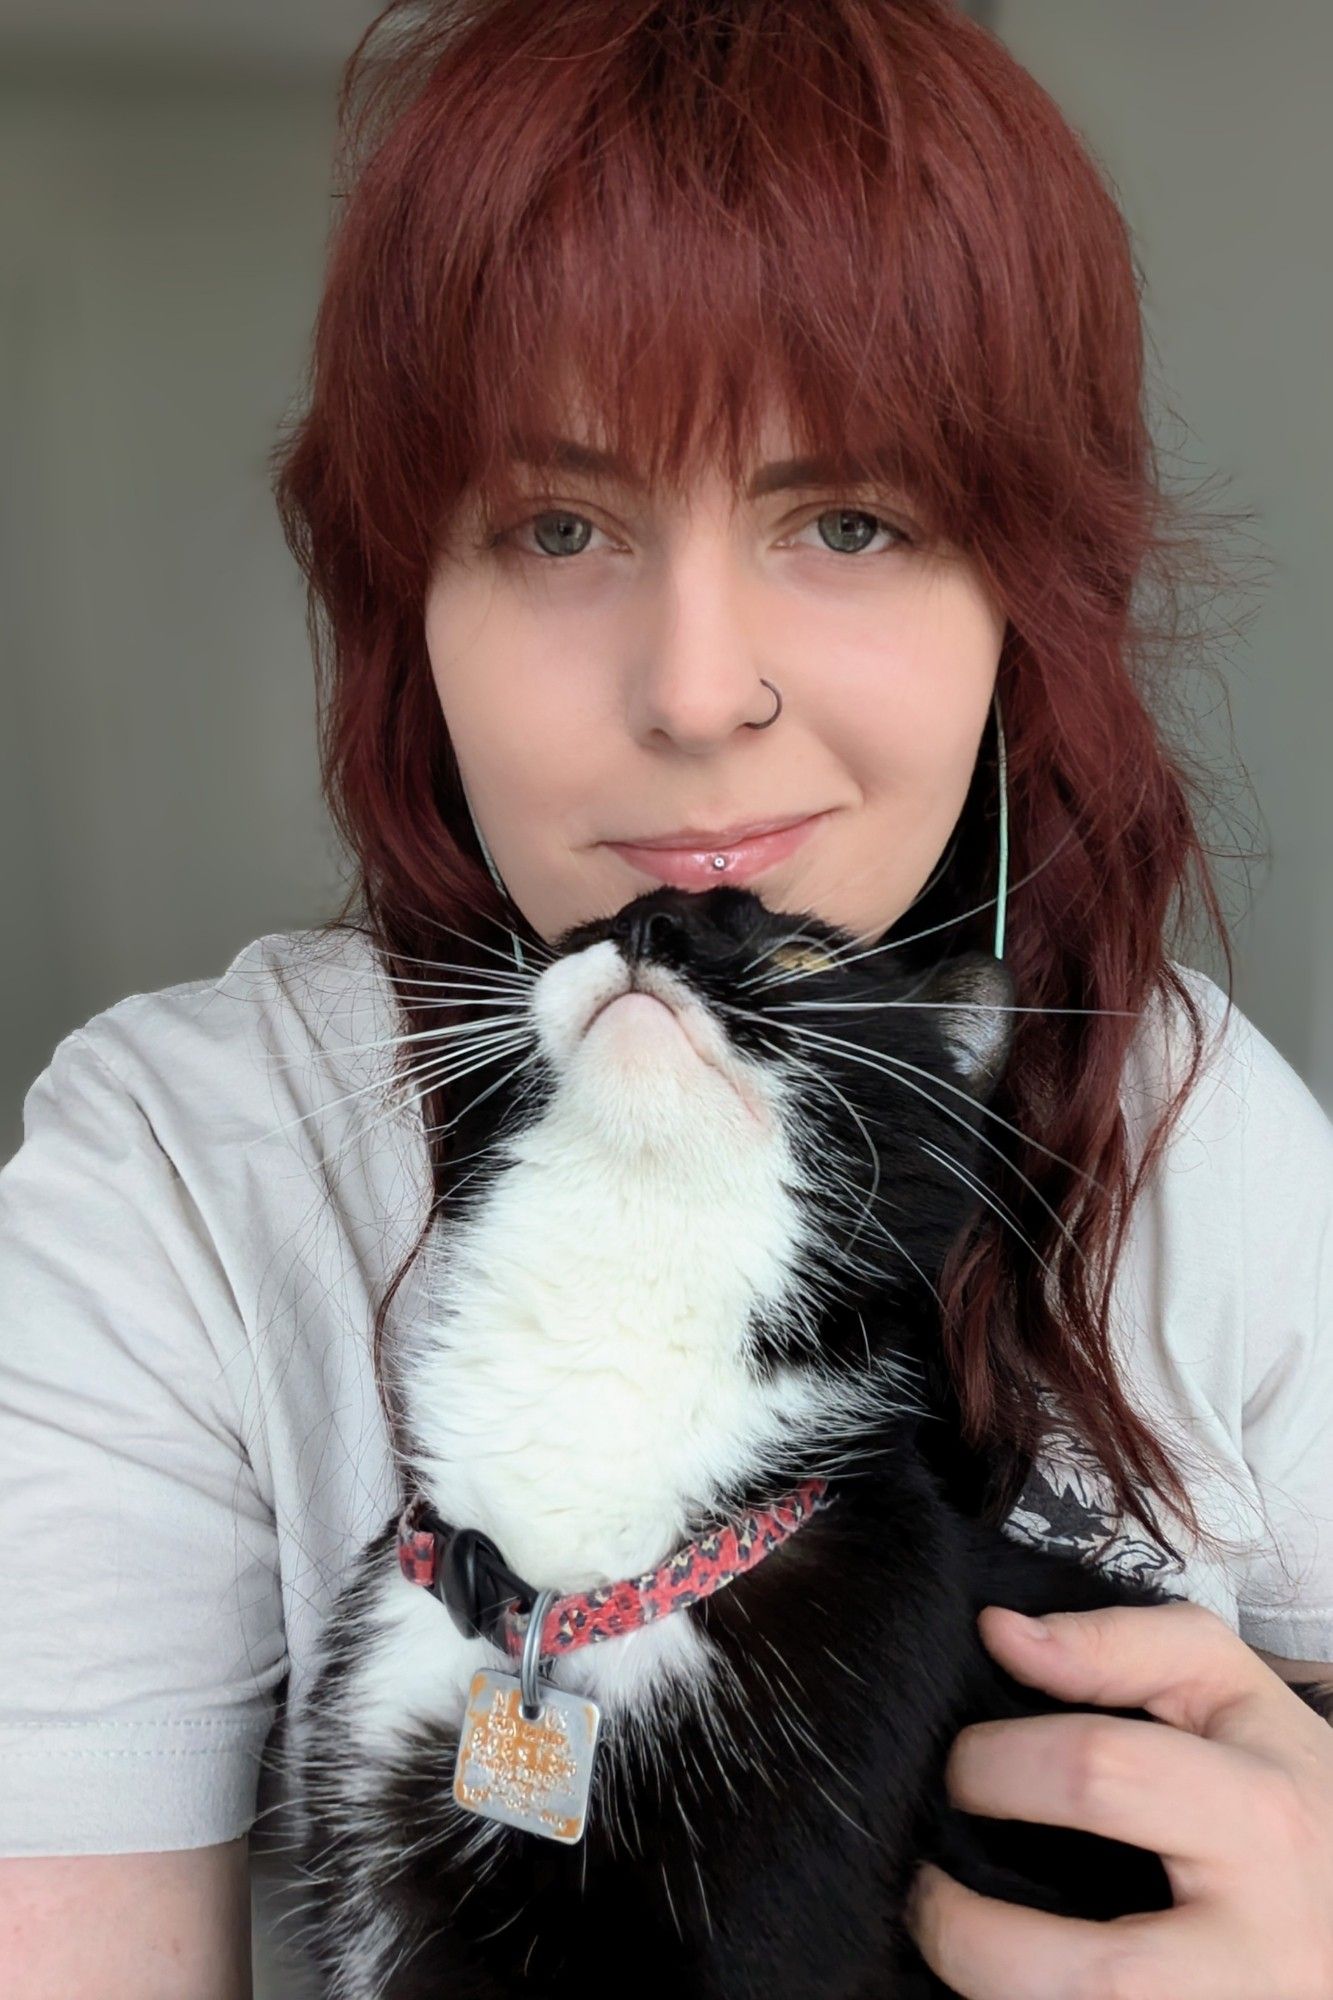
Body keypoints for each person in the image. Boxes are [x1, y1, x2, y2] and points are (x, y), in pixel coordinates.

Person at [2, 3, 1331, 1995]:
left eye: (847, 520)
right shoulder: (185, 1167)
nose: (696, 690)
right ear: (402, 603)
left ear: (1022, 598)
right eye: (560, 525)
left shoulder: (1180, 1111)